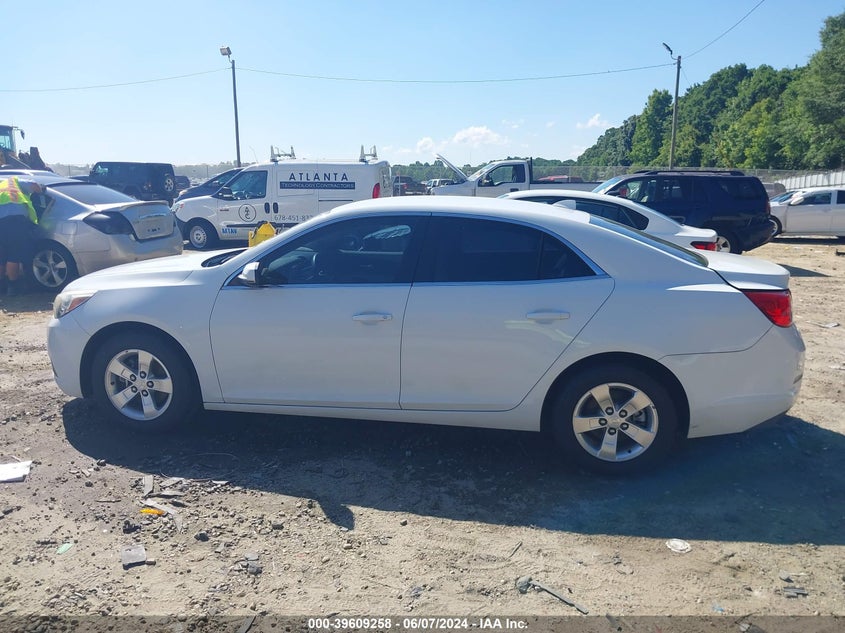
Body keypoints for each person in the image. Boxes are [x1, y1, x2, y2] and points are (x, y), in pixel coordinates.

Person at [0, 176, 42, 295]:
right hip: (16, 222)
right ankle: (13, 287)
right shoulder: (15, 181)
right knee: (13, 255)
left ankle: (1, 286)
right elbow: (35, 187)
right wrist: (41, 189)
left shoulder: (2, 186)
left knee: (2, 256)